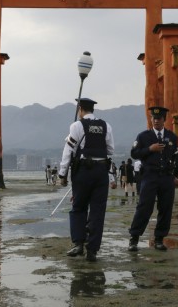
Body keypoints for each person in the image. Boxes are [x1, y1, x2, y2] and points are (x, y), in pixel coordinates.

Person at [58, 98, 115, 263]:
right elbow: (110, 149)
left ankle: (78, 244)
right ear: (93, 109)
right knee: (97, 211)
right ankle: (93, 251)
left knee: (78, 207)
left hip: (83, 172)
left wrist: (63, 175)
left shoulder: (76, 126)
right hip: (101, 172)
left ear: (80, 109)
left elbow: (68, 151)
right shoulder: (106, 126)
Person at [128, 106, 178, 252]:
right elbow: (134, 153)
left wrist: (177, 175)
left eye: (159, 119)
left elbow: (177, 157)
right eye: (153, 118)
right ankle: (134, 238)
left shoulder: (171, 137)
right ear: (151, 119)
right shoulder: (143, 136)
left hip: (166, 177)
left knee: (165, 208)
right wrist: (149, 149)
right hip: (149, 176)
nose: (156, 121)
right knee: (144, 207)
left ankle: (159, 239)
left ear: (164, 120)